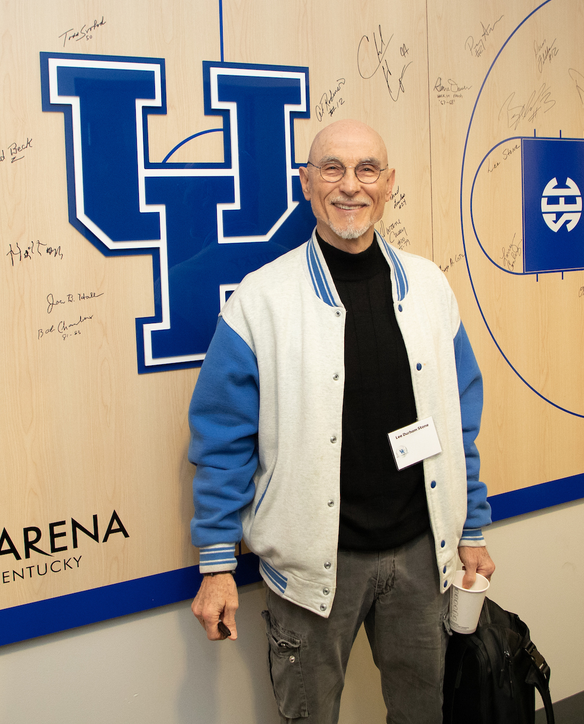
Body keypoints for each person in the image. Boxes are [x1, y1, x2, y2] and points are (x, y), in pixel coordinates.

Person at [188, 119, 494, 723]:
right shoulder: (260, 301)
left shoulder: (431, 289)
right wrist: (217, 564)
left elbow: (460, 418)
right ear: (306, 183)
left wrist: (473, 527)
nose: (350, 186)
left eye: (366, 170)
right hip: (311, 568)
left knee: (422, 713)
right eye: (332, 169)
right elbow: (222, 441)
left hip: (421, 556)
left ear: (388, 183)